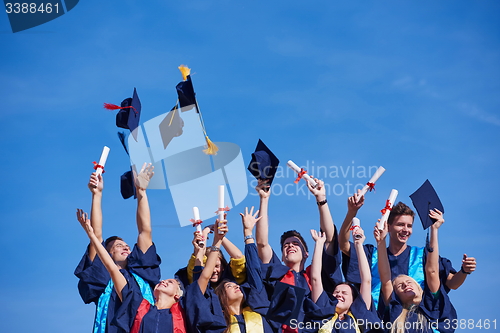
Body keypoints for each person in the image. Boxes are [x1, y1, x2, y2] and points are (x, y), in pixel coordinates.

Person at [338, 196, 476, 309]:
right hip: (379, 323)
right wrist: (352, 213)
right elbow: (343, 245)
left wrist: (464, 271)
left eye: (409, 226)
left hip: (415, 322)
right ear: (388, 226)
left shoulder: (422, 256)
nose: (406, 230)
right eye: (400, 225)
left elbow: (452, 283)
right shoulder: (371, 254)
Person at [74, 163, 161, 333]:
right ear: (107, 254)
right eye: (118, 246)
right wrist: (97, 195)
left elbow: (145, 231)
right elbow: (96, 236)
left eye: (127, 245)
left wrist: (141, 192)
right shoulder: (102, 278)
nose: (126, 247)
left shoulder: (142, 272)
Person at [254, 178, 337, 332]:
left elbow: (329, 240)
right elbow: (262, 244)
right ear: (283, 257)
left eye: (295, 243)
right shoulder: (277, 273)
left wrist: (321, 199)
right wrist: (264, 199)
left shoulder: (317, 274)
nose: (290, 245)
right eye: (286, 245)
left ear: (306, 253)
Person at [376, 209, 457, 333]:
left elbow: (432, 271)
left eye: (409, 282)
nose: (406, 285)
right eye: (399, 286)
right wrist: (380, 241)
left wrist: (434, 230)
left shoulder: (431, 308)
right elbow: (386, 278)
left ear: (419, 288)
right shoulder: (394, 311)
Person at [213, 206, 281, 333]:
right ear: (221, 297)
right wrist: (217, 239)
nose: (236, 286)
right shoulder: (219, 325)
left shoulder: (259, 305)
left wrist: (248, 232)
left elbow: (254, 269)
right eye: (228, 286)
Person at [302, 227, 381, 333]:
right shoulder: (324, 311)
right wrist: (319, 244)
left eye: (344, 293)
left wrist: (358, 245)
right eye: (336, 292)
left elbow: (366, 280)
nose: (339, 295)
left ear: (353, 300)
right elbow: (315, 278)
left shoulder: (359, 315)